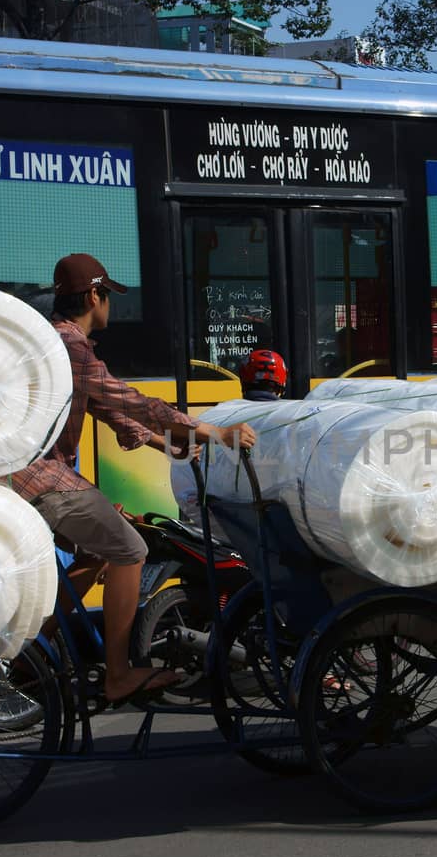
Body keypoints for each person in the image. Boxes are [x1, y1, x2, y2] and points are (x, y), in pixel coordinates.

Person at [13, 253, 256, 705]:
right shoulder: (70, 345)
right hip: (41, 475)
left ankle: (33, 655)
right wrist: (213, 431)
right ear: (93, 295)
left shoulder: (54, 341)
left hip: (34, 473)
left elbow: (113, 413)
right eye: (108, 296)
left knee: (94, 553)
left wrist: (165, 443)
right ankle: (119, 675)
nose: (111, 306)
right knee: (130, 548)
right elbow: (132, 401)